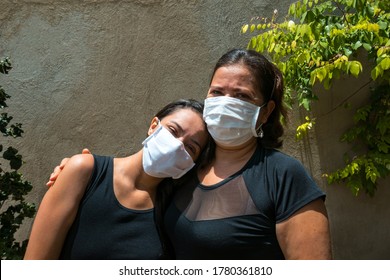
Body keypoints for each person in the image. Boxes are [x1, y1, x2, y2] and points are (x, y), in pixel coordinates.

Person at [46, 49, 332, 260]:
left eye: (242, 96)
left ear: (265, 112)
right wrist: (76, 172)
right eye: (217, 92)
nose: (226, 102)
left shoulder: (282, 175)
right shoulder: (183, 170)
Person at [24, 99, 210, 260]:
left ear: (191, 164)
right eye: (173, 130)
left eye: (190, 148)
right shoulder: (85, 170)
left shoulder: (173, 213)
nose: (177, 145)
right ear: (153, 125)